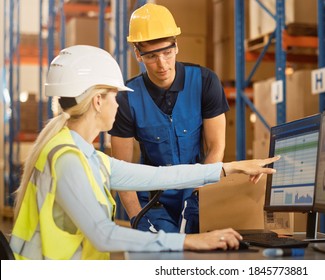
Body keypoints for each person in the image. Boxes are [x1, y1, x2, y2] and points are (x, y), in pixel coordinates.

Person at [9, 45, 279, 260]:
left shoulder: (86, 156)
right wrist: (189, 240)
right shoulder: (67, 160)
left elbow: (157, 177)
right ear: (97, 100)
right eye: (116, 96)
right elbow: (104, 235)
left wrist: (228, 168)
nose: (120, 104)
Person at [108, 3, 229, 234]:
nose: (162, 64)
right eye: (152, 56)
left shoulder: (205, 82)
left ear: (176, 46)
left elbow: (216, 147)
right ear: (137, 54)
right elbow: (121, 170)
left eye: (167, 52)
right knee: (162, 256)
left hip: (197, 192)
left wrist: (198, 194)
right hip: (153, 201)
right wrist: (136, 217)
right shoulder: (126, 99)